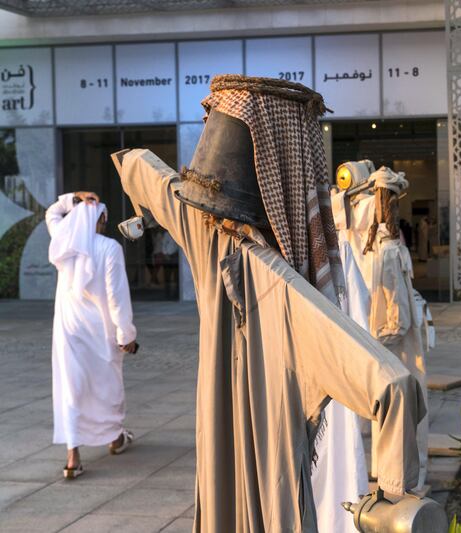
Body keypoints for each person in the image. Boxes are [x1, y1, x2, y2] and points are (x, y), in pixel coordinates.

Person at [117, 76, 425, 532]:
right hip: (269, 478)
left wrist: (132, 173)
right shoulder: (281, 283)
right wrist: (392, 494)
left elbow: (145, 170)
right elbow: (391, 385)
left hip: (220, 460)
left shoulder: (203, 233)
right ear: (285, 167)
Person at [46, 190, 137, 480]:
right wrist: (126, 334)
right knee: (107, 385)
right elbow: (117, 297)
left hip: (69, 327)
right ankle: (115, 438)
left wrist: (74, 197)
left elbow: (52, 213)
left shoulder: (64, 242)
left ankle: (73, 457)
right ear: (100, 220)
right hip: (100, 329)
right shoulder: (109, 248)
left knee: (71, 388)